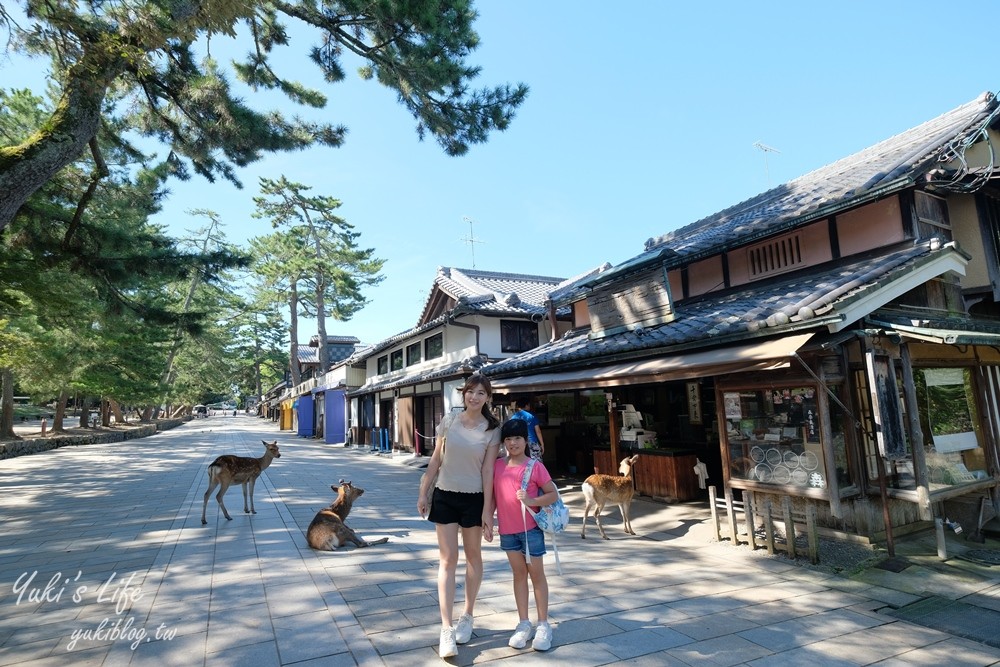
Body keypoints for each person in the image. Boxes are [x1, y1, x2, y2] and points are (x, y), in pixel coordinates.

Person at [416, 375, 501, 659]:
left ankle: (467, 615)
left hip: (474, 498)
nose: (474, 397)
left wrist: (488, 510)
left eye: (481, 393)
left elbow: (488, 471)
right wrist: (423, 491)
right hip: (445, 494)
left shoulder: (492, 429)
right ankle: (446, 627)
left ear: (488, 397)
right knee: (447, 559)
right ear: (463, 394)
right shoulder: (448, 422)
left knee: (473, 556)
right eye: (470, 392)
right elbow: (436, 460)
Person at [492, 418, 558, 651]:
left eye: (517, 438)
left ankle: (543, 625)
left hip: (531, 529)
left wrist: (532, 501)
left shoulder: (534, 466)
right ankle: (523, 624)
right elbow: (493, 497)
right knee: (518, 574)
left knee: (536, 575)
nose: (513, 443)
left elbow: (552, 494)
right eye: (508, 439)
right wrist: (488, 520)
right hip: (507, 531)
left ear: (525, 440)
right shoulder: (497, 465)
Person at [511, 396, 545, 461]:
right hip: (532, 442)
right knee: (537, 463)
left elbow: (512, 432)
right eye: (529, 405)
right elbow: (538, 431)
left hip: (520, 443)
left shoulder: (514, 417)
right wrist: (542, 444)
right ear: (526, 405)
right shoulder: (532, 416)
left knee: (523, 464)